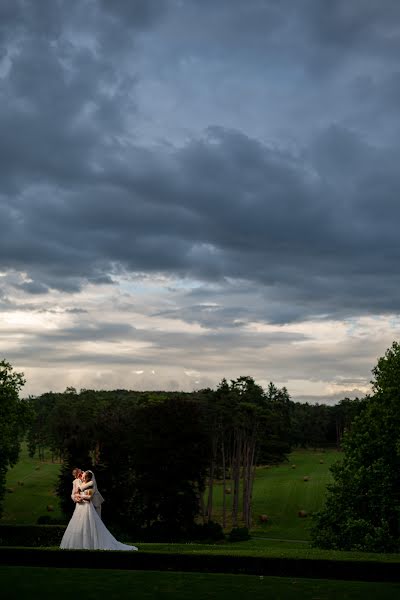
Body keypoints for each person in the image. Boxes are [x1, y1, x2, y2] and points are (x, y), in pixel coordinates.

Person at [60, 470, 138, 551]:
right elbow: (73, 494)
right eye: (78, 476)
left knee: (94, 524)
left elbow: (89, 494)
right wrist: (76, 498)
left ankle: (95, 542)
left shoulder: (90, 479)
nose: (80, 476)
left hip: (93, 504)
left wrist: (80, 494)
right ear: (76, 477)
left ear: (82, 473)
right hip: (80, 505)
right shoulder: (76, 482)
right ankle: (80, 544)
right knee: (80, 524)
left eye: (81, 474)